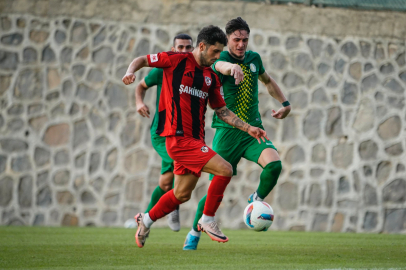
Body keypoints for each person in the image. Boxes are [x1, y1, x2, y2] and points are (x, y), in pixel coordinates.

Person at [122, 25, 268, 248]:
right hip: (177, 139)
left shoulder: (210, 77)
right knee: (226, 168)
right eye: (215, 52)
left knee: (181, 194)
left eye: (221, 52)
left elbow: (222, 111)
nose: (218, 56)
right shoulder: (175, 60)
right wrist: (130, 71)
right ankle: (207, 219)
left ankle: (146, 219)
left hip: (195, 141)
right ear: (202, 46)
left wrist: (248, 128)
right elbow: (142, 59)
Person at [183, 17, 291, 251]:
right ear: (228, 39)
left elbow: (268, 81)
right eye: (236, 39)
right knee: (215, 191)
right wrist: (231, 68)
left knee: (274, 166)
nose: (241, 44)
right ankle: (194, 231)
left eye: (244, 39)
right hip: (227, 132)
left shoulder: (254, 59)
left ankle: (256, 200)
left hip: (253, 131)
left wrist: (285, 102)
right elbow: (220, 66)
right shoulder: (219, 57)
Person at [135, 34, 194, 232]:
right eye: (180, 47)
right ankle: (173, 206)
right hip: (162, 133)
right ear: (173, 48)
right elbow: (141, 86)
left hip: (182, 134)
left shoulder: (195, 70)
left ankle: (145, 217)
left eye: (188, 48)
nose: (184, 51)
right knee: (179, 165)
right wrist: (139, 102)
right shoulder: (163, 68)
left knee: (165, 182)